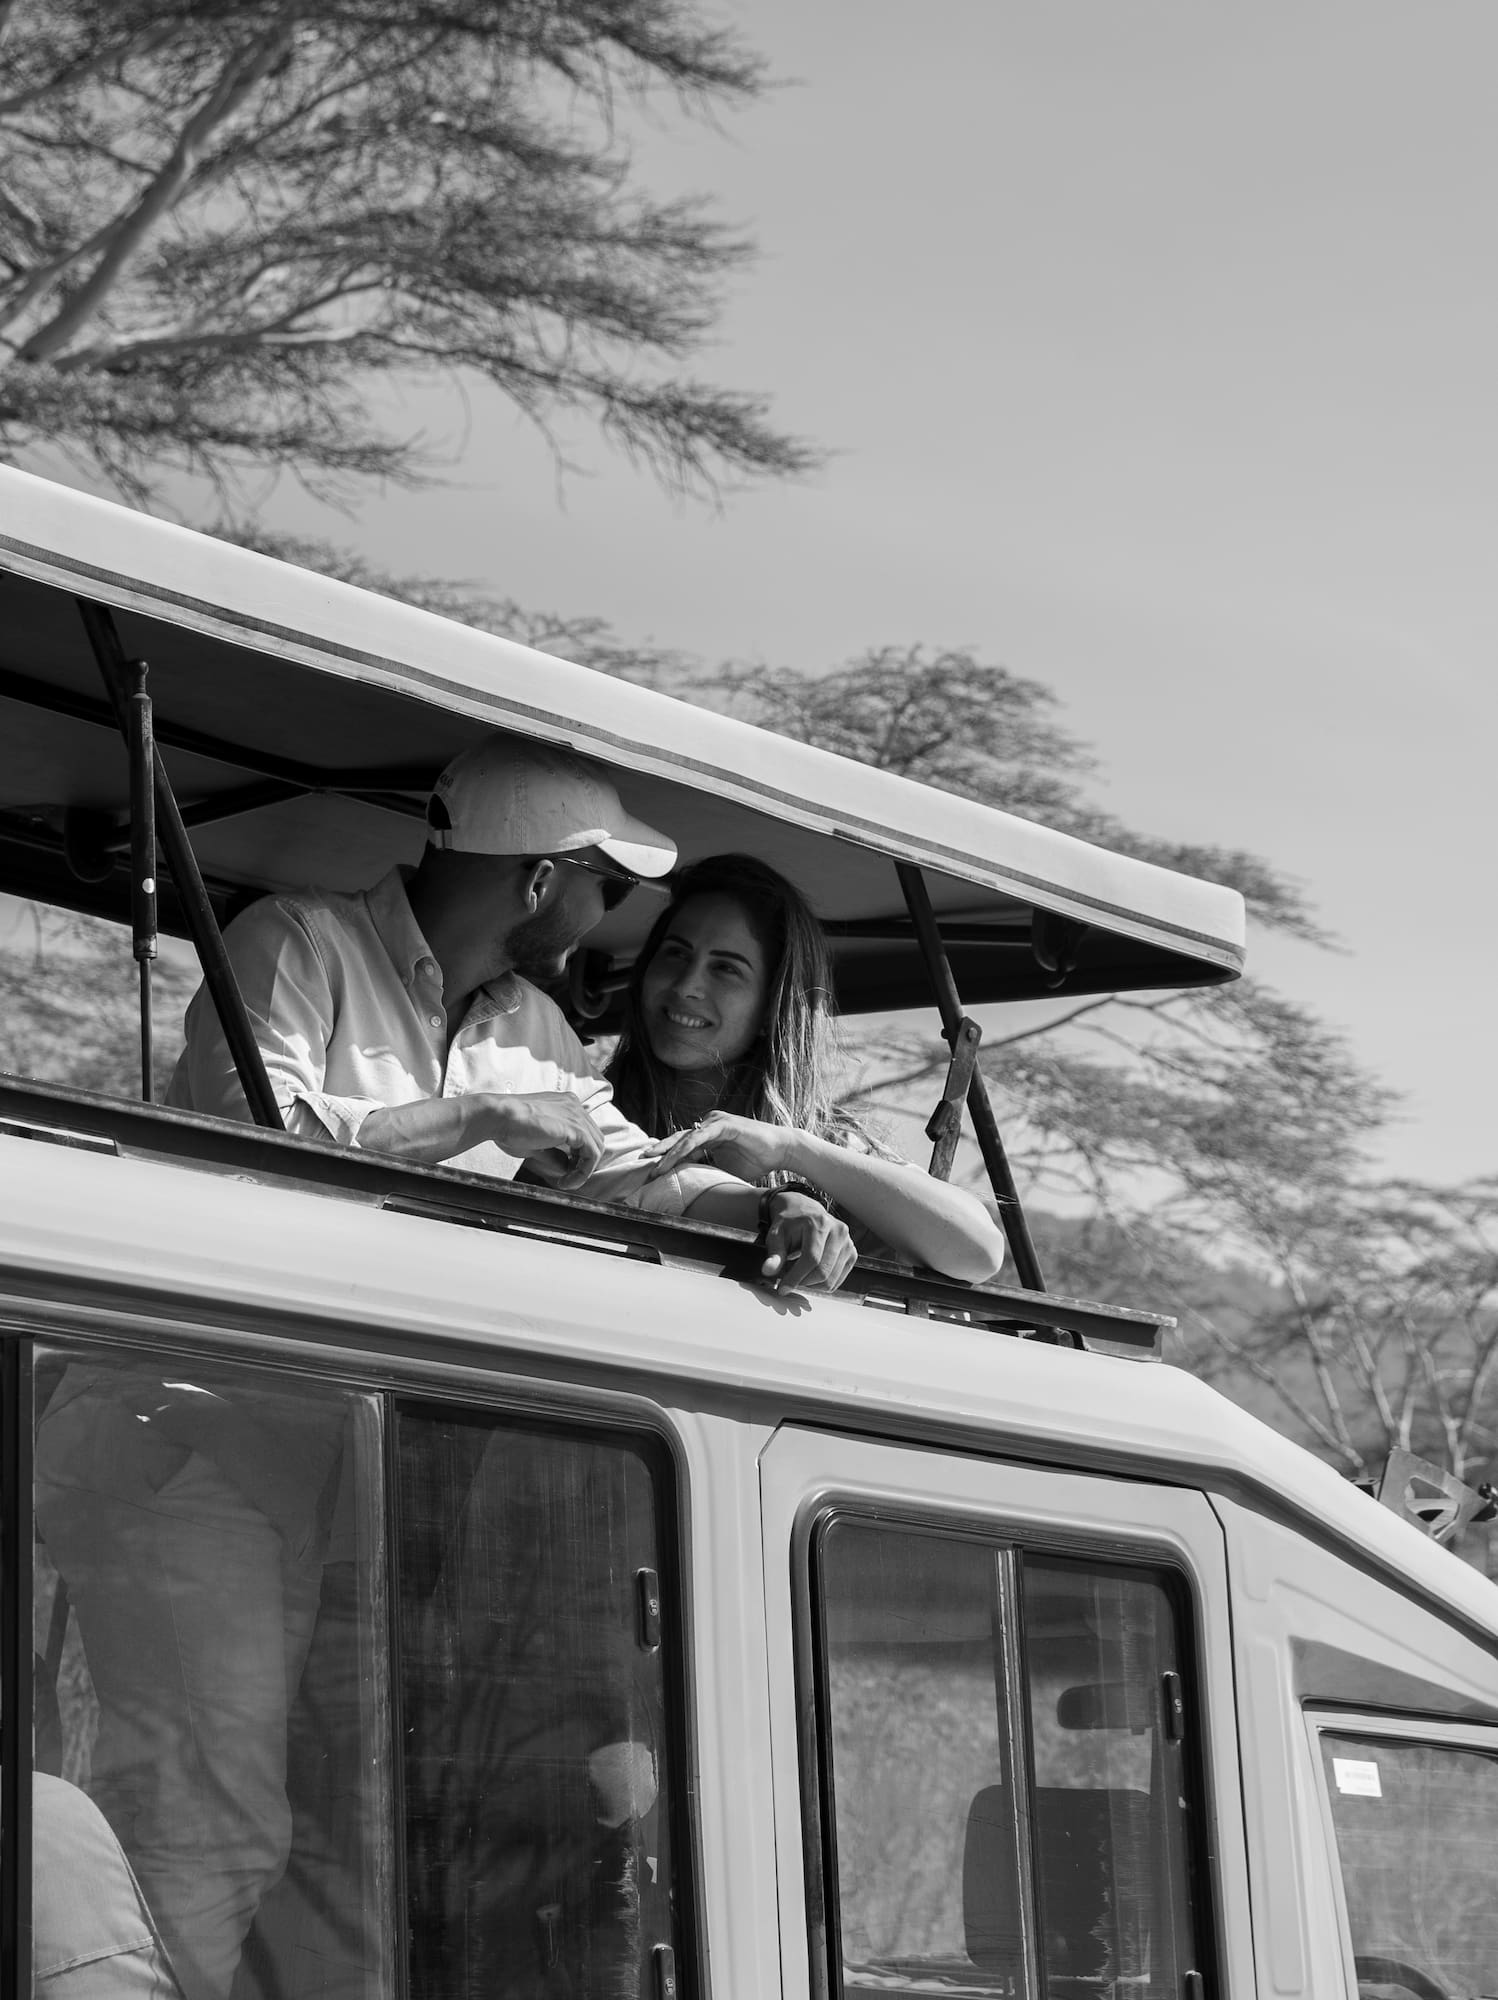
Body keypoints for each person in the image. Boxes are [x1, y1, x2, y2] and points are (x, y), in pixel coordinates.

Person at [36, 741, 855, 2000]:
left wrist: (773, 1207)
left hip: (350, 1469)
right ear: (542, 883)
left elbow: (637, 1167)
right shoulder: (293, 943)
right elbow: (260, 1148)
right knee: (211, 1828)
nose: (617, 923)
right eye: (607, 887)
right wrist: (469, 1122)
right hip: (195, 1440)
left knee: (341, 1845)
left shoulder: (532, 1026)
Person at [607, 853, 1007, 1284]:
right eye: (675, 954)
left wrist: (792, 1149)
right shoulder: (591, 1104)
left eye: (725, 969)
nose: (687, 985)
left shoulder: (826, 1142)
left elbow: (979, 1252)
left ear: (770, 1007)